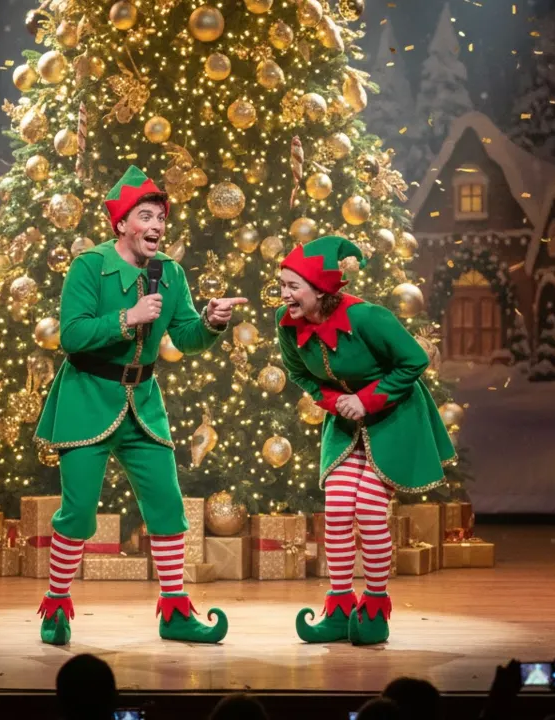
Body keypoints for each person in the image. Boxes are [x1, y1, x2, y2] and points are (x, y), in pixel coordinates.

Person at [34, 165, 247, 645]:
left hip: (143, 404)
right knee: (78, 512)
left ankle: (175, 612)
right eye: (146, 216)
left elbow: (185, 337)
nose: (156, 226)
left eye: (161, 218)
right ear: (121, 224)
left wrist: (211, 322)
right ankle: (56, 606)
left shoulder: (170, 273)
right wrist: (126, 318)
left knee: (168, 505)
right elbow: (72, 336)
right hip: (87, 398)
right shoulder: (89, 266)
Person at [275, 235, 455, 645]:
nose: (284, 294)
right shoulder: (286, 323)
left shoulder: (368, 318)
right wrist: (336, 402)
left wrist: (367, 400)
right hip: (345, 422)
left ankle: (375, 608)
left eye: (293, 286)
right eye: (282, 285)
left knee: (370, 509)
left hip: (394, 416)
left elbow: (414, 360)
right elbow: (300, 373)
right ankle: (340, 609)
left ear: (321, 289)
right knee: (339, 507)